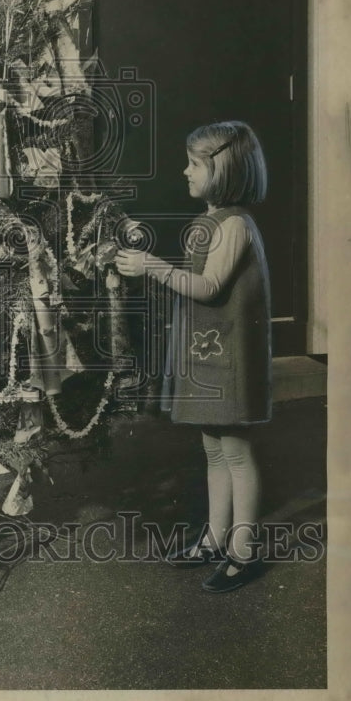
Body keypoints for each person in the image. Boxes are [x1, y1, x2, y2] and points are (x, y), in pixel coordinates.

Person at [116, 120, 271, 593]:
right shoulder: (211, 221)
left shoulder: (235, 225)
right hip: (209, 352)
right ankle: (214, 538)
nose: (184, 172)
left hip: (228, 356)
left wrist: (152, 267)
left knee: (237, 453)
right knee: (212, 448)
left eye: (194, 164)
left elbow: (208, 287)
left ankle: (243, 552)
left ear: (222, 169)